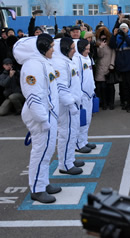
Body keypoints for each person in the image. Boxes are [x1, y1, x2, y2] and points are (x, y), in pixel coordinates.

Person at [13, 34, 61, 203]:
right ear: (42, 48)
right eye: (51, 46)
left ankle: (43, 182)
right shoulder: (33, 66)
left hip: (47, 114)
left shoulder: (43, 62)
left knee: (47, 152)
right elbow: (33, 96)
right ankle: (37, 188)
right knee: (40, 152)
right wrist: (42, 119)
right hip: (40, 116)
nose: (53, 50)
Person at [51, 37, 84, 175]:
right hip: (66, 105)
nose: (74, 50)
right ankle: (65, 164)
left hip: (73, 102)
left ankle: (69, 159)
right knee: (66, 133)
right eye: (72, 48)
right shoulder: (59, 64)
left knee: (73, 132)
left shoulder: (67, 61)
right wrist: (71, 104)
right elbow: (61, 87)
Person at [73, 39, 97, 152]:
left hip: (89, 93)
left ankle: (84, 140)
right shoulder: (77, 59)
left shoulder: (88, 58)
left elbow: (90, 75)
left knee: (88, 119)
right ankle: (78, 144)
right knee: (81, 120)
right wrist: (79, 94)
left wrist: (93, 89)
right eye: (86, 49)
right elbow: (77, 79)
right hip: (82, 95)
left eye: (89, 49)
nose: (88, 51)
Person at [109, 23, 130, 111]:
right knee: (124, 86)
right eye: (121, 29)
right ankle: (126, 102)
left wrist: (125, 36)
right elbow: (112, 45)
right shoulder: (117, 38)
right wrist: (114, 35)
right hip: (122, 65)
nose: (123, 30)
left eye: (124, 29)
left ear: (128, 29)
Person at [94, 26, 116, 110]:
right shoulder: (98, 43)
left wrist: (112, 64)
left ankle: (111, 103)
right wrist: (100, 47)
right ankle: (104, 103)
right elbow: (99, 55)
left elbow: (113, 53)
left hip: (109, 66)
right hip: (100, 66)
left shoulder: (110, 42)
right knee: (102, 87)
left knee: (110, 87)